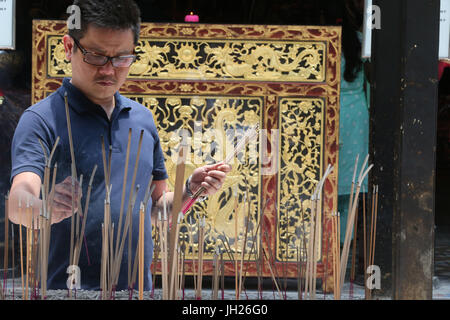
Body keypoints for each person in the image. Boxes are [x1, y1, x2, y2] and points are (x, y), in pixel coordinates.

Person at [8, 0, 231, 290]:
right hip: (65, 291)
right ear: (68, 47)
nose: (109, 71)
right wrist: (43, 208)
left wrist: (190, 190)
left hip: (137, 289)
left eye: (122, 58)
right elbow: (18, 202)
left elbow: (155, 210)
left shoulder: (141, 119)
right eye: (97, 56)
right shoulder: (42, 119)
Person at [337, 0, 369, 244]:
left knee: (326, 185)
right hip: (357, 113)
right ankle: (344, 254)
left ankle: (324, 251)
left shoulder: (322, 41)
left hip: (329, 110)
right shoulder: (361, 40)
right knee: (351, 185)